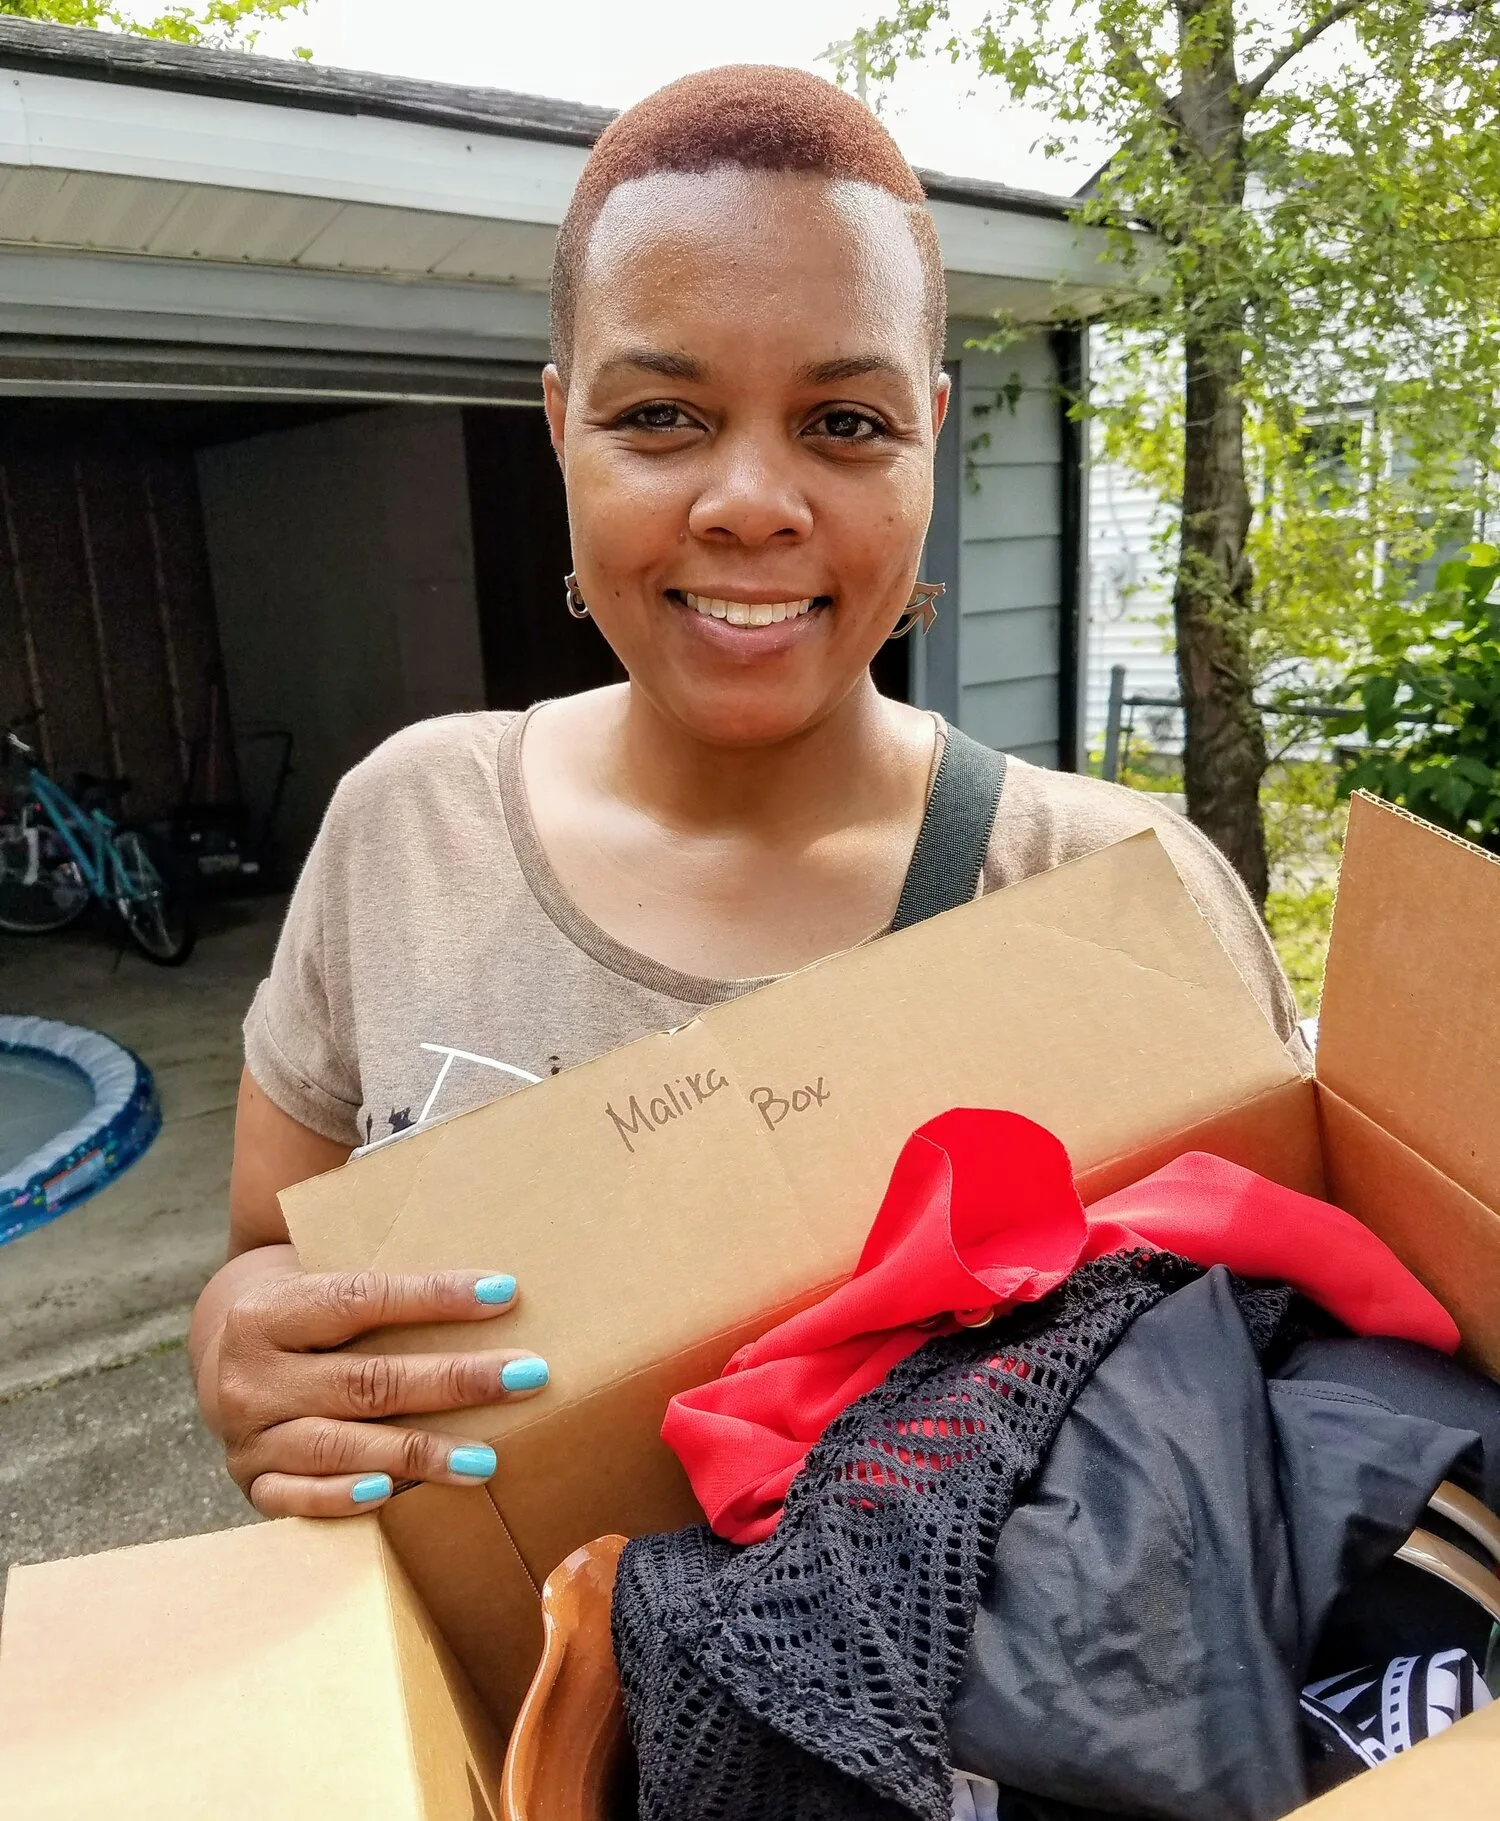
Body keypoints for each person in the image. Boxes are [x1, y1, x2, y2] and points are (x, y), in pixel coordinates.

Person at [189, 64, 1300, 1520]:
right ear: (559, 428)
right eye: (662, 415)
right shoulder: (409, 827)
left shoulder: (1111, 900)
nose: (753, 505)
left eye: (845, 423)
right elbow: (266, 1251)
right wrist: (238, 1344)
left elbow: (1290, 1383)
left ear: (930, 435)